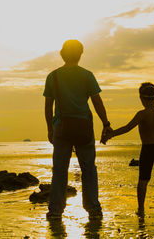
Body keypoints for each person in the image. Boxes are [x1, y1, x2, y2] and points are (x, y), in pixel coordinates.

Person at [101, 67, 154, 217]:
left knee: (143, 180)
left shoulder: (142, 114)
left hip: (148, 148)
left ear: (141, 98)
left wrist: (110, 135)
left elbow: (127, 128)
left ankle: (141, 210)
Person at [43, 39, 112, 219]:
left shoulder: (53, 76)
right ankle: (93, 209)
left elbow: (48, 106)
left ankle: (55, 210)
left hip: (61, 127)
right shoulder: (87, 75)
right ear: (80, 54)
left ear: (62, 54)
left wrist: (50, 129)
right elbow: (97, 102)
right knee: (88, 169)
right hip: (84, 127)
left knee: (59, 169)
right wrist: (106, 123)